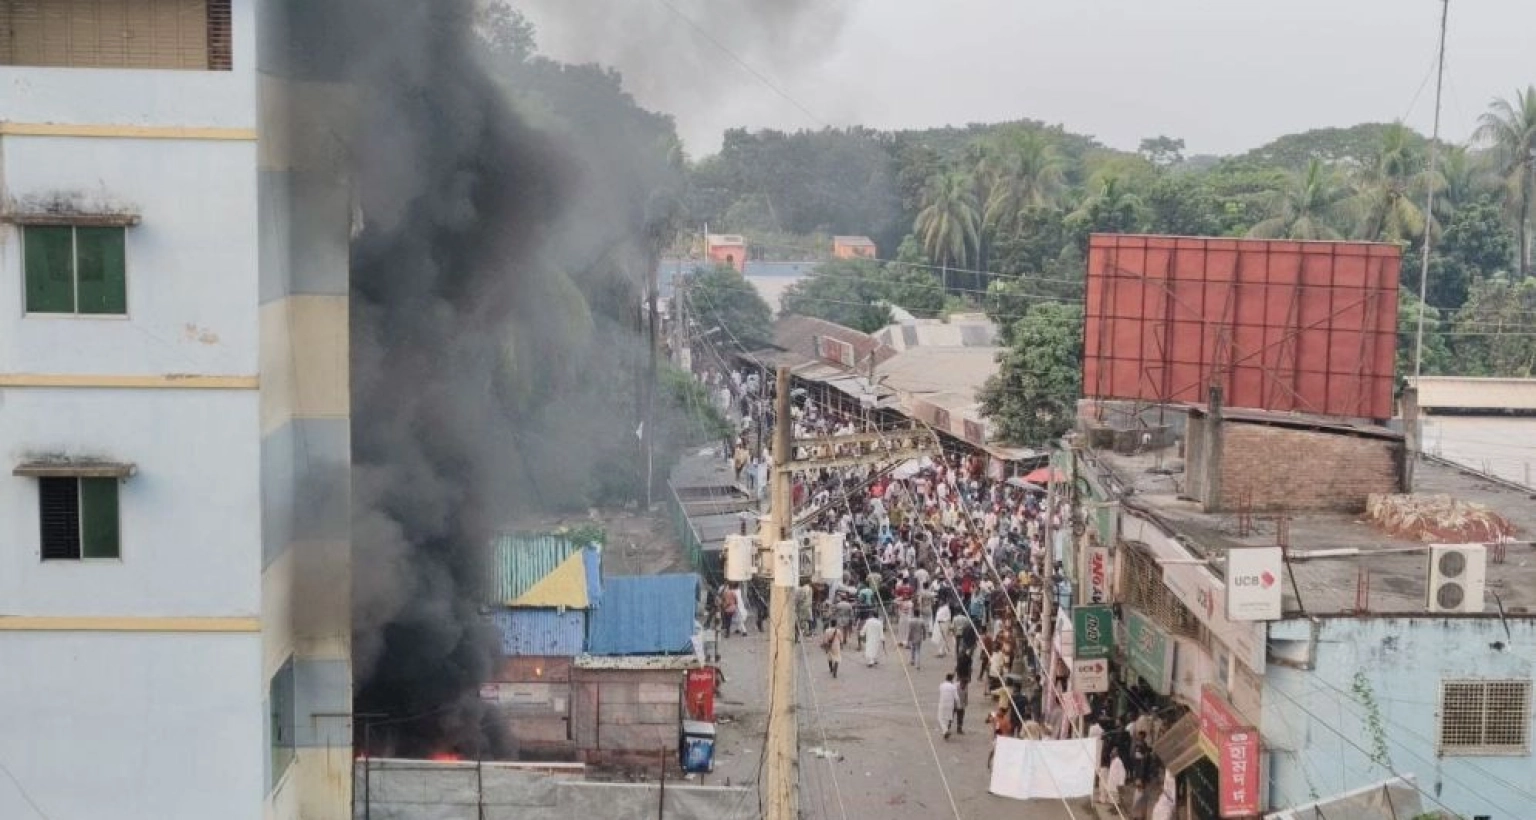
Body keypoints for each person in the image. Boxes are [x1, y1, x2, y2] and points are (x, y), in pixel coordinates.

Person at [986, 704, 1014, 770]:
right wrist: (989, 715)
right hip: (996, 738)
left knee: (1001, 752)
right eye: (998, 711)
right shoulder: (995, 717)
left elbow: (1009, 729)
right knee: (993, 750)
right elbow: (987, 721)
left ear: (1003, 713)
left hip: (1004, 738)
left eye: (1000, 711)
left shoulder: (1006, 720)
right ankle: (989, 763)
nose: (998, 712)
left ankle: (999, 764)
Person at [937, 674, 959, 739]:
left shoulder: (942, 685)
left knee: (940, 718)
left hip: (943, 703)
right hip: (950, 705)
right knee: (947, 718)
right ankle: (945, 732)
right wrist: (958, 705)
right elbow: (957, 698)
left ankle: (945, 731)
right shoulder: (953, 686)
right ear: (952, 679)